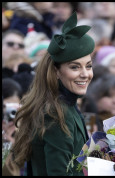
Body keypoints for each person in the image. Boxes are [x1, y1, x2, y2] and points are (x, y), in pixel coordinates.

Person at [10, 12, 95, 176]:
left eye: (89, 66)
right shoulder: (55, 113)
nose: (85, 74)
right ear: (56, 72)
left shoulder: (65, 106)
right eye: (75, 67)